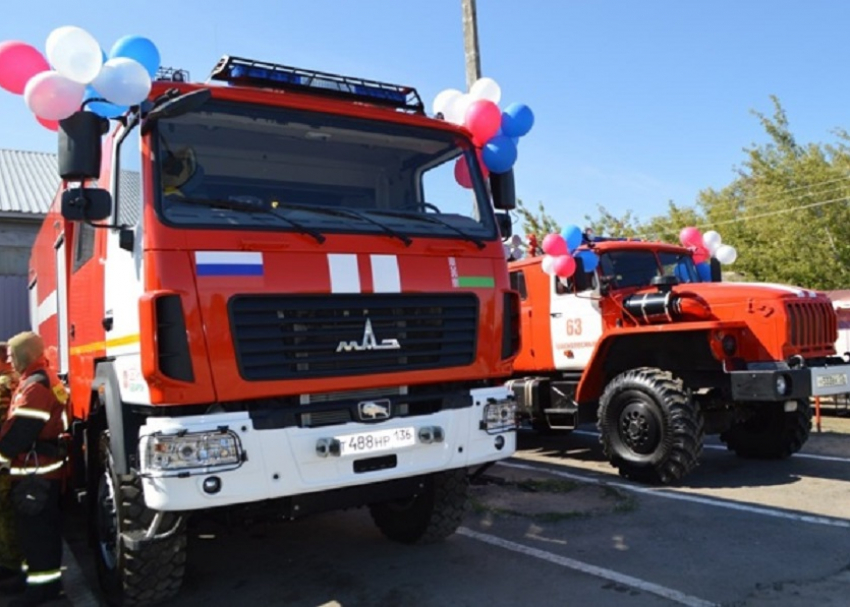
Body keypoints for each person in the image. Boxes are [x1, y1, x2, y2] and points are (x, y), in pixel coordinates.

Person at [0, 332, 69, 606]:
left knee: (38, 532)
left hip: (36, 474)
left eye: (11, 355)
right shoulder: (39, 379)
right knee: (32, 532)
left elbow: (21, 431)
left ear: (25, 354)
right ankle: (32, 579)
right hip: (38, 471)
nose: (9, 361)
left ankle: (43, 590)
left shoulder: (36, 385)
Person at [0, 343, 22, 579]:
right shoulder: (18, 381)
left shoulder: (2, 385)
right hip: (17, 457)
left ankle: (10, 564)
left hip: (4, 459)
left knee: (5, 513)